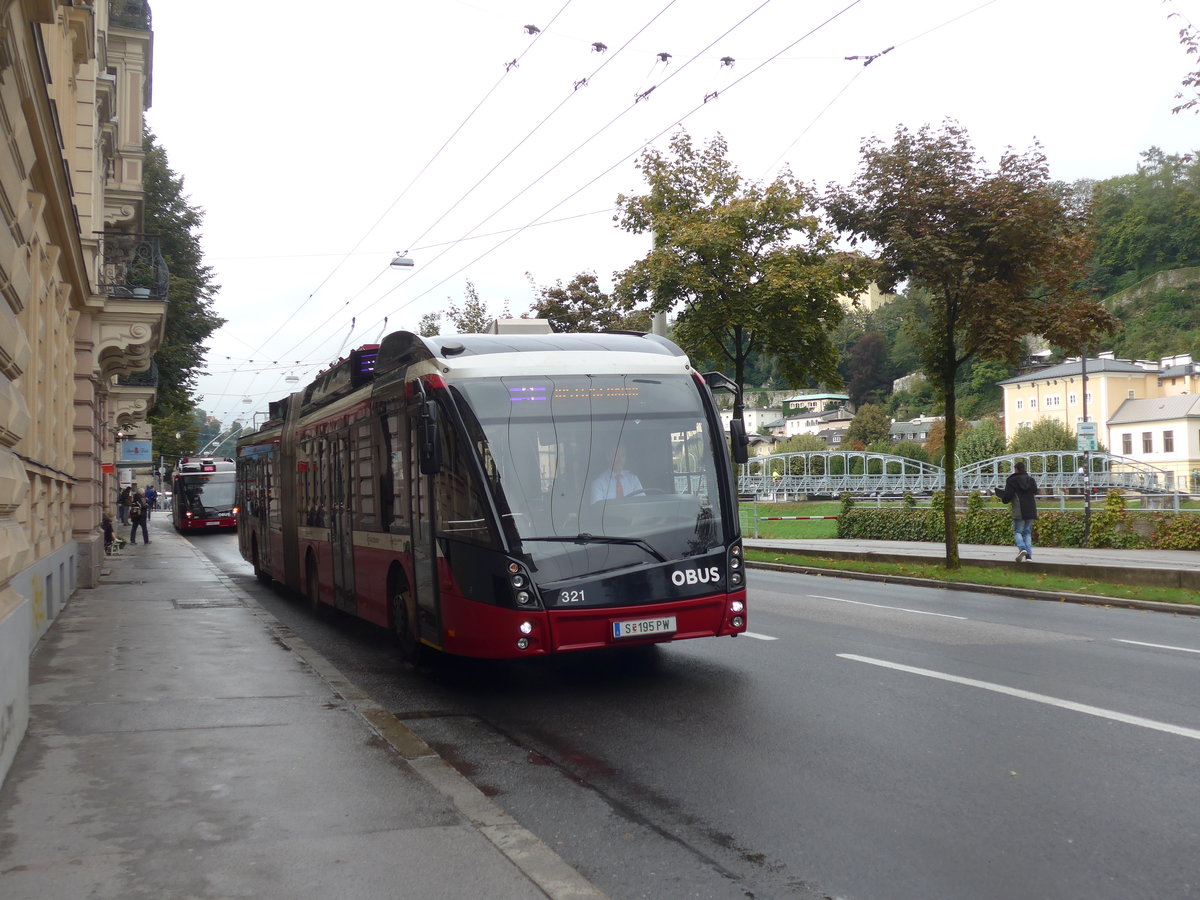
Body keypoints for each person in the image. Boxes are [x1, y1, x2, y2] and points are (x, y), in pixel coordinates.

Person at [995, 460, 1038, 561]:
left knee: (1018, 531)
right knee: (1027, 532)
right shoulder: (1031, 480)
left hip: (1019, 509)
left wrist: (1002, 496)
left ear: (1016, 469)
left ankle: (1022, 548)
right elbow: (1035, 491)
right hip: (1031, 509)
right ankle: (1028, 556)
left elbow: (1008, 496)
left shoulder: (1012, 481)